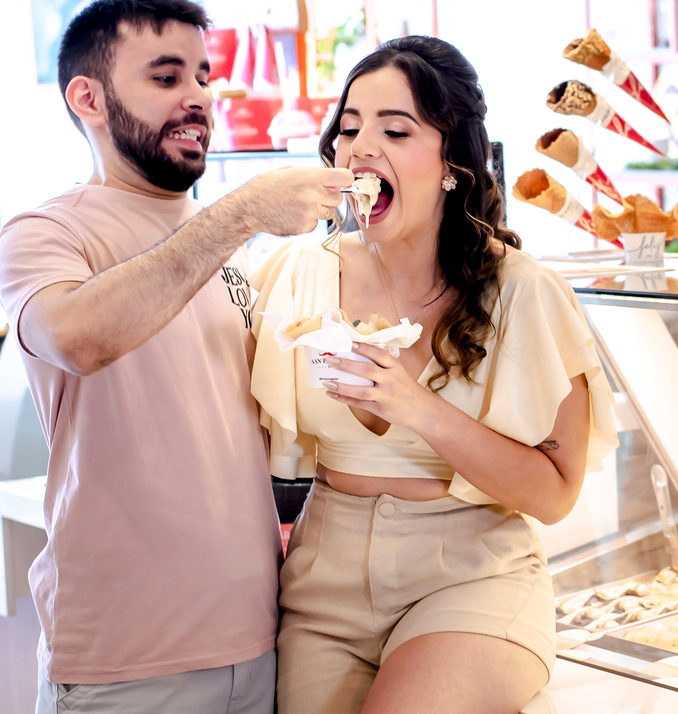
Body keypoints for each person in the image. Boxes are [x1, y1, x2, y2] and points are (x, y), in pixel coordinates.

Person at [0, 0, 352, 714]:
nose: (197, 98)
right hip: (127, 661)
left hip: (257, 640)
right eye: (166, 78)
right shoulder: (44, 233)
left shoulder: (229, 247)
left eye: (203, 77)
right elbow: (79, 337)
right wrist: (243, 211)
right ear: (88, 98)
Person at [249, 36, 619, 713]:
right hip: (322, 578)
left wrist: (417, 405)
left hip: (469, 578)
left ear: (451, 160)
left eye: (395, 129)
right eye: (349, 128)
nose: (361, 146)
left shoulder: (522, 292)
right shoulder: (297, 271)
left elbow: (555, 493)